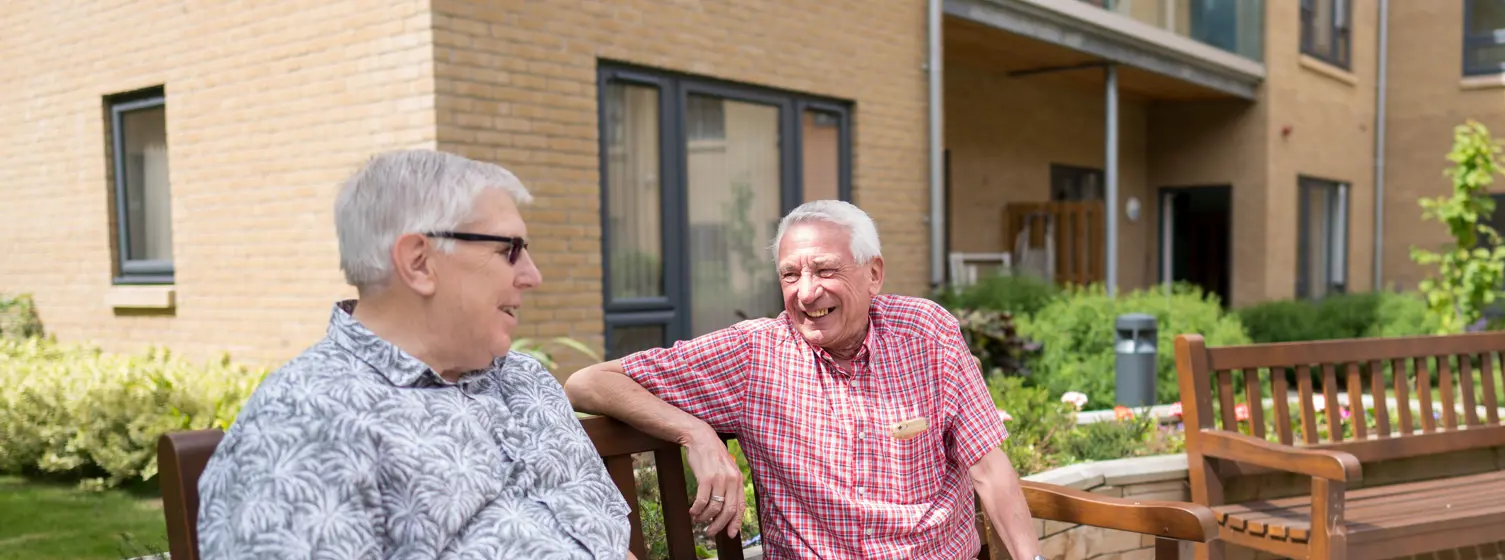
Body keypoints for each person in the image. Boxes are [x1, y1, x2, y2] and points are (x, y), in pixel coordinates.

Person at [195, 150, 636, 560]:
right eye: (509, 250)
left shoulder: (525, 382)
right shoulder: (304, 422)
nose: (532, 276)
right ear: (419, 262)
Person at [565, 200, 1045, 559]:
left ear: (874, 273)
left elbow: (989, 469)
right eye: (790, 275)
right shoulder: (752, 356)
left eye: (825, 270)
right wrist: (695, 432)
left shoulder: (927, 332)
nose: (807, 292)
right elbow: (587, 382)